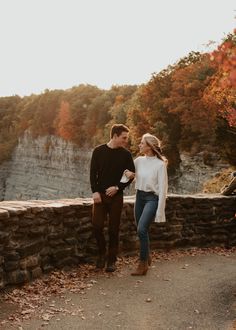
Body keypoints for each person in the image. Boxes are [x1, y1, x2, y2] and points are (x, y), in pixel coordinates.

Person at [90, 124, 135, 272]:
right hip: (100, 196)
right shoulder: (98, 151)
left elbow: (130, 176)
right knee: (97, 226)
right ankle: (102, 254)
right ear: (115, 136)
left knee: (113, 229)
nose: (125, 141)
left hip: (116, 197)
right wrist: (95, 192)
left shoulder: (126, 155)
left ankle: (111, 260)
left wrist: (117, 187)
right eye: (124, 137)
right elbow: (93, 174)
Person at [125, 133, 168, 276]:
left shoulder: (160, 165)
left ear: (149, 146)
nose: (139, 145)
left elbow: (163, 189)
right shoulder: (138, 161)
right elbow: (128, 177)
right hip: (139, 196)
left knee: (142, 229)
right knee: (141, 229)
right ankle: (147, 255)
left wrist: (160, 211)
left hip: (152, 199)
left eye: (142, 143)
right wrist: (128, 175)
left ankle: (142, 264)